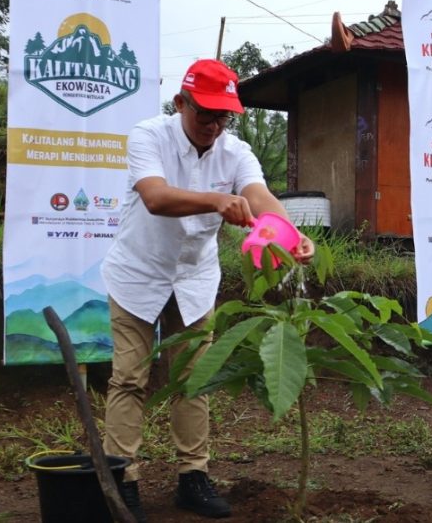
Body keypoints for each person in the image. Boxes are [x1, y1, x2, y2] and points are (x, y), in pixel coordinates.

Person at [100, 59, 315, 521]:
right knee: (130, 380)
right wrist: (218, 201)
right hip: (138, 274)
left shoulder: (235, 153)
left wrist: (289, 233)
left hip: (194, 280)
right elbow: (156, 198)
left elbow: (259, 197)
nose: (214, 127)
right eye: (205, 115)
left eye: (223, 117)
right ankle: (122, 478)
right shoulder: (148, 136)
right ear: (180, 103)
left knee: (195, 381)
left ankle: (192, 477)